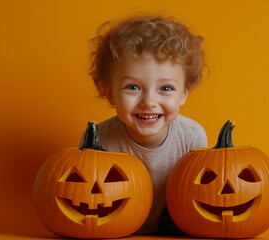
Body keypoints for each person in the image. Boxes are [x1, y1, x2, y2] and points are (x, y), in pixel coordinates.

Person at [83, 12, 208, 235]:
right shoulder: (100, 139)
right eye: (133, 87)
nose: (149, 102)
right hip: (116, 231)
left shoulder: (192, 137)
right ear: (109, 92)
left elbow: (200, 198)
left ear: (183, 94)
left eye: (166, 88)